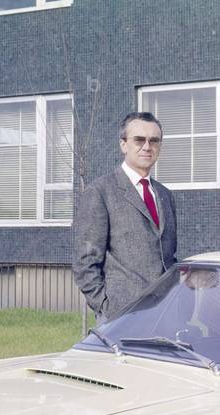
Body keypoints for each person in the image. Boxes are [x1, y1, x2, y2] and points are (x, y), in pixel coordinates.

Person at [73, 112, 177, 322]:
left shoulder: (165, 195)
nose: (147, 147)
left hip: (164, 312)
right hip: (120, 315)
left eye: (154, 141)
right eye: (139, 140)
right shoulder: (101, 191)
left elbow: (167, 257)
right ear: (123, 145)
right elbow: (85, 262)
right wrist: (105, 307)